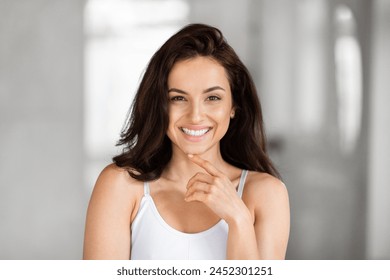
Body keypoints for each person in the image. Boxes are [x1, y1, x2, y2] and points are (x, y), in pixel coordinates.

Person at [83, 23, 290, 260]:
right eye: (178, 98)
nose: (195, 116)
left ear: (234, 106)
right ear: (159, 104)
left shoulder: (266, 194)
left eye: (212, 97)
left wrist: (239, 219)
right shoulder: (121, 186)